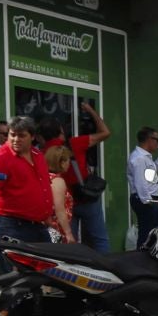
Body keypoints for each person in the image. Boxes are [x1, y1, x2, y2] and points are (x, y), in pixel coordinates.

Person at [42, 100, 113, 252]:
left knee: (70, 245)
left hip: (65, 205)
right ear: (61, 130)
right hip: (86, 198)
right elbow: (105, 132)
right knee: (99, 240)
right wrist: (90, 110)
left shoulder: (42, 153)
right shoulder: (75, 143)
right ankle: (106, 271)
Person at [0, 121, 57, 246]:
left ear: (32, 137)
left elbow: (44, 186)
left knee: (46, 263)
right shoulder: (0, 157)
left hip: (38, 224)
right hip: (10, 225)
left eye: (21, 135)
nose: (16, 139)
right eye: (12, 135)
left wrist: (47, 216)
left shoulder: (38, 155)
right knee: (16, 264)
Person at [127, 127, 158, 247]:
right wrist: (148, 201)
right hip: (145, 199)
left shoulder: (145, 157)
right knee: (147, 234)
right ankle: (141, 259)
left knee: (153, 233)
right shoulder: (140, 158)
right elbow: (140, 182)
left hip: (148, 199)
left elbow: (149, 176)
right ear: (149, 139)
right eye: (157, 140)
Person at [42, 145, 78, 243]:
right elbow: (60, 210)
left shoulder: (44, 177)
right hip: (56, 229)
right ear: (61, 163)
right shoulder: (57, 181)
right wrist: (68, 233)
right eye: (67, 161)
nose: (69, 164)